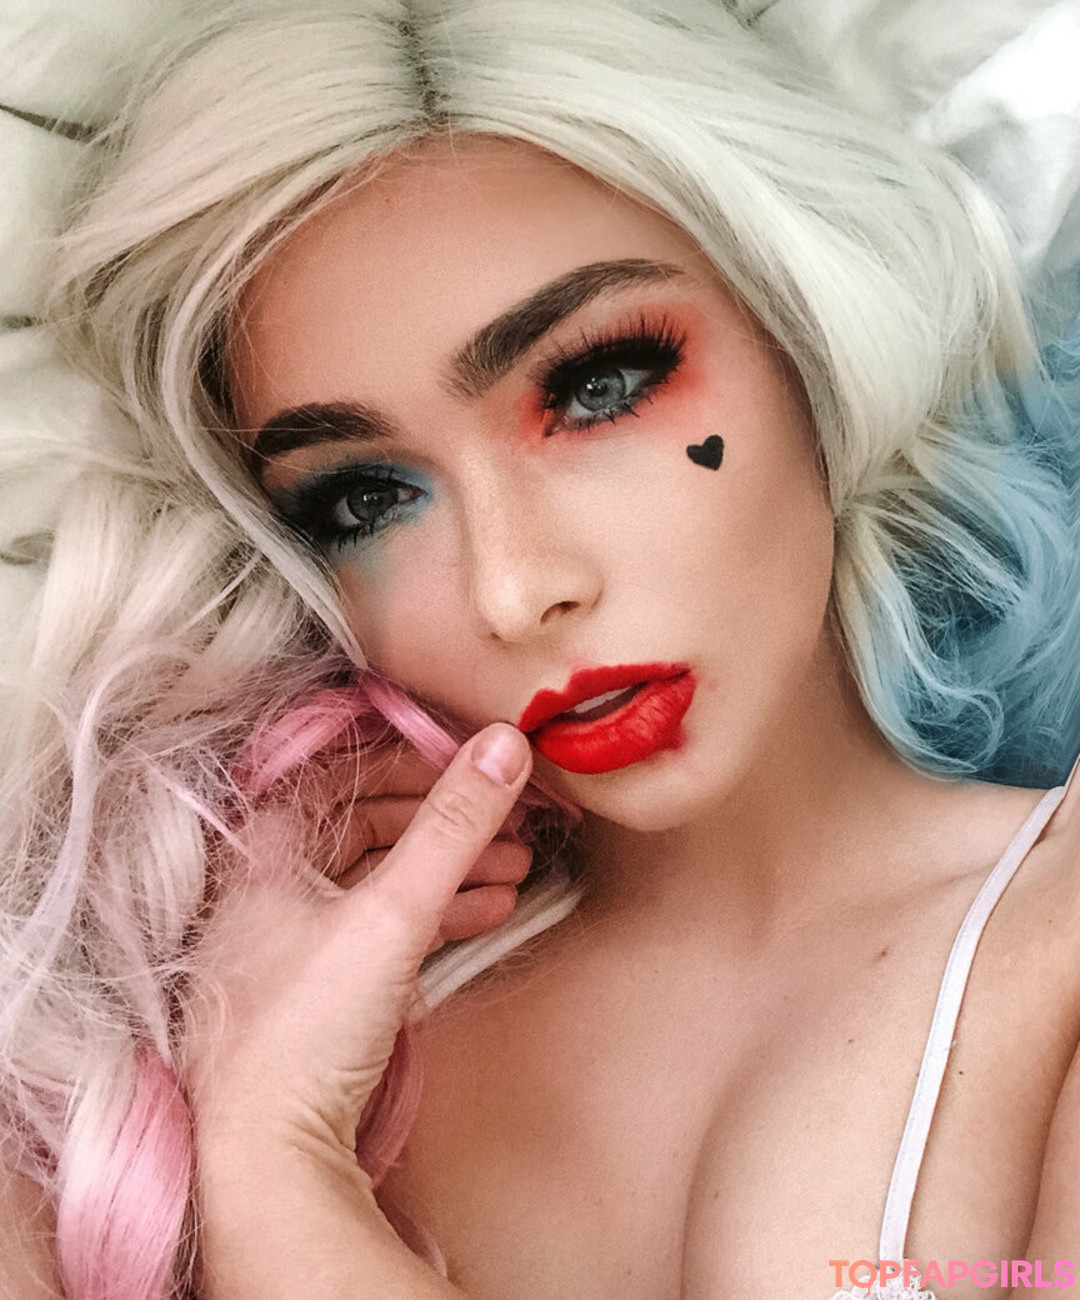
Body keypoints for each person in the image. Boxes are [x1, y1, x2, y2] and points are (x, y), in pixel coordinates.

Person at [2, 1, 1079, 1297]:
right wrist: (250, 1104)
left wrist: (276, 1177)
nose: (515, 590)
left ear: (806, 330)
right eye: (365, 499)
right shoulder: (157, 1059)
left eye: (596, 386)